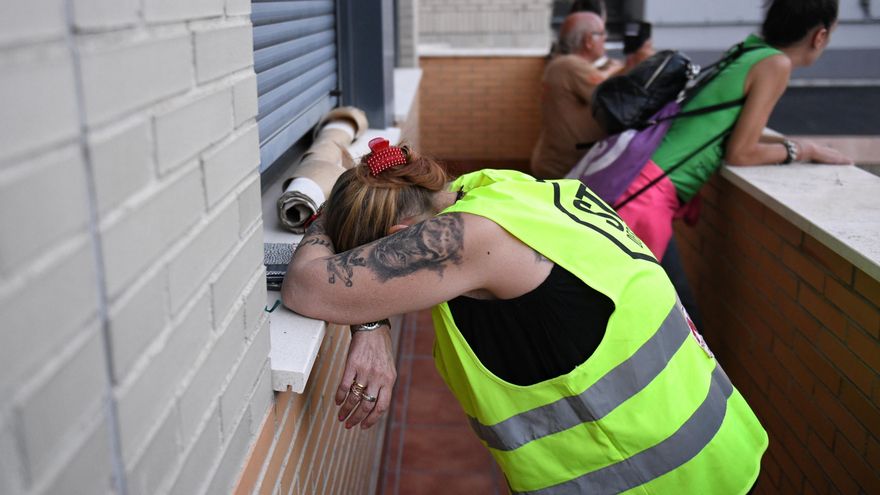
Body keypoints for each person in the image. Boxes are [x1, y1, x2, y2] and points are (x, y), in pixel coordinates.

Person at [282, 138, 768, 494]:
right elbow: (366, 286)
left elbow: (307, 285)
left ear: (401, 239)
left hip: (661, 478)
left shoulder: (471, 240)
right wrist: (370, 318)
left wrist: (322, 218)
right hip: (711, 434)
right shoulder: (499, 189)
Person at [616, 0, 851, 262]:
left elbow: (730, 128)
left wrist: (788, 143)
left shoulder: (748, 49)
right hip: (649, 197)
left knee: (667, 287)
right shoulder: (776, 64)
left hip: (639, 179)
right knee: (639, 288)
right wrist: (804, 150)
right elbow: (741, 152)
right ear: (820, 36)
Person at [530, 11, 623, 180]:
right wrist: (630, 64)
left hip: (556, 165)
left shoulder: (560, 64)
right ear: (588, 40)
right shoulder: (570, 65)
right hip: (564, 171)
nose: (605, 39)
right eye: (602, 33)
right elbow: (610, 93)